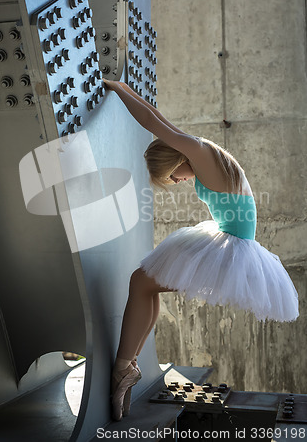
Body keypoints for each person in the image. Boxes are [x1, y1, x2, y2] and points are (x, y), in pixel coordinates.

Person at [103, 79, 299, 421]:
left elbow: (151, 123)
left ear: (177, 158)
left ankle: (125, 366)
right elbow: (158, 119)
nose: (176, 181)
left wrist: (118, 91)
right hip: (230, 241)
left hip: (233, 252)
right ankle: (128, 364)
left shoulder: (199, 153)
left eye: (171, 176)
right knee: (144, 282)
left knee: (141, 282)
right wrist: (122, 86)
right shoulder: (201, 150)